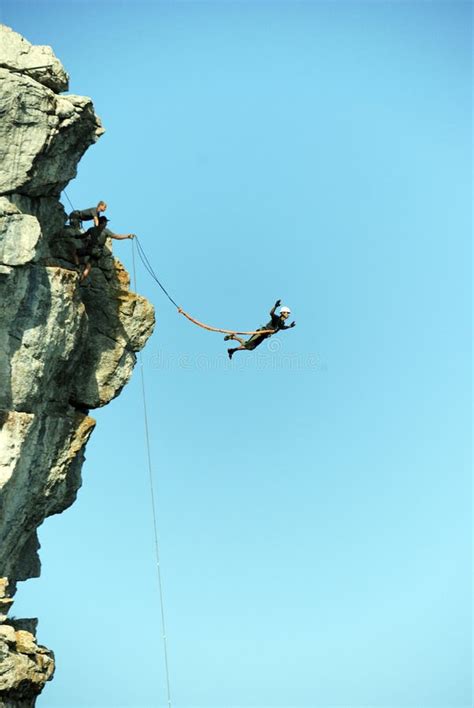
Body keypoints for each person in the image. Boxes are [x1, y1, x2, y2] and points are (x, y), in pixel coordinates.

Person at [225, 300, 296, 359]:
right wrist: (275, 306)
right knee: (247, 344)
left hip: (264, 336)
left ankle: (232, 347)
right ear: (283, 313)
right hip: (261, 332)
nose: (288, 314)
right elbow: (271, 313)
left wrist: (289, 326)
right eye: (287, 313)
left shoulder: (282, 323)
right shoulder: (276, 318)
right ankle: (232, 339)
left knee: (251, 347)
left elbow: (282, 327)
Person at [75, 216, 134, 281]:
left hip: (90, 250)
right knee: (89, 265)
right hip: (98, 253)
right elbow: (117, 236)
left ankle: (77, 266)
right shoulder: (106, 231)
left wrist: (76, 236)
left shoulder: (91, 229)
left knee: (75, 252)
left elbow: (83, 236)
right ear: (102, 223)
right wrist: (127, 236)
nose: (106, 224)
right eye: (105, 222)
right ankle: (81, 279)